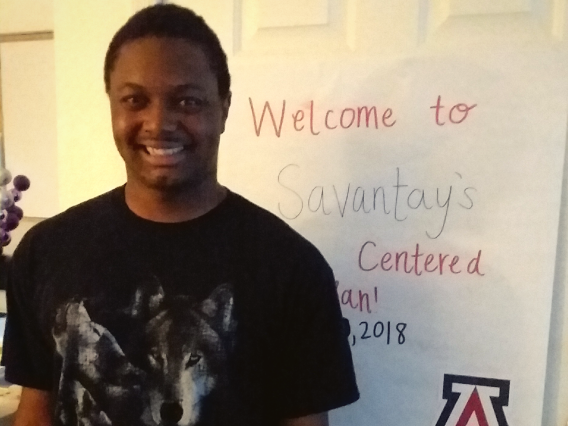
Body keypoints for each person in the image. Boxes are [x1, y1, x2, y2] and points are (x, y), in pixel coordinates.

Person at [2, 4, 359, 426]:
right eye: (135, 100)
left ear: (224, 108)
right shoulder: (47, 251)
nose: (158, 122)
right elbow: (35, 412)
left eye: (187, 101)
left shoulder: (292, 268)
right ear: (113, 106)